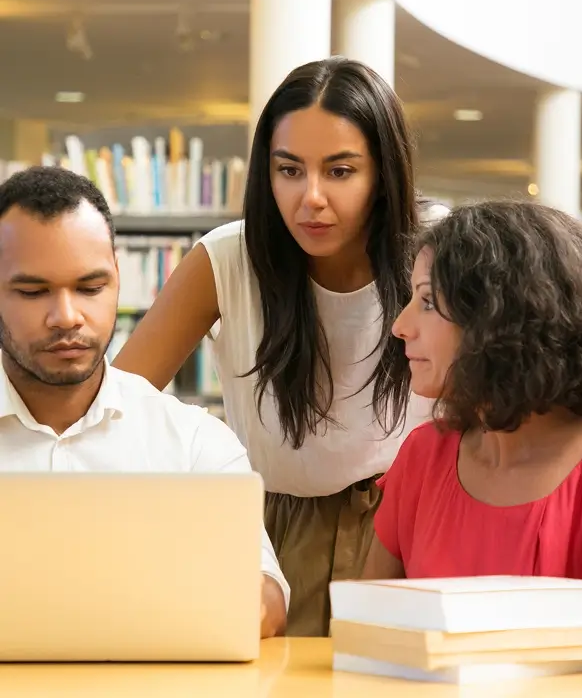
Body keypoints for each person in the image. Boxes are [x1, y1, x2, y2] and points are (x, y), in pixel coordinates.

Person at [113, 56, 435, 636]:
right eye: (289, 170)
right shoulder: (226, 260)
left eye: (340, 172)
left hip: (410, 526)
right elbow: (117, 406)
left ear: (384, 173)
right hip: (270, 535)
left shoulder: (436, 256)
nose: (310, 197)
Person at [0, 165, 289, 638]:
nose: (67, 316)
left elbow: (265, 599)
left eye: (91, 288)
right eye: (33, 292)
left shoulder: (192, 443)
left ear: (118, 279)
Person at [364, 200, 582, 581]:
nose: (400, 326)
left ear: (500, 316)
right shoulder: (422, 459)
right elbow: (366, 629)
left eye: (427, 301)